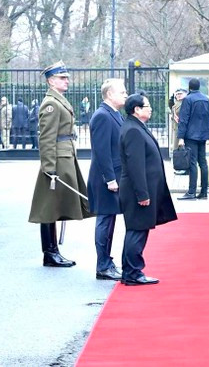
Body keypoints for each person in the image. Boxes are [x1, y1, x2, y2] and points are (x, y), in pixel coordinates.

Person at [28, 61, 92, 268]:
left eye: (66, 77)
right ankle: (50, 253)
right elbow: (46, 138)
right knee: (49, 208)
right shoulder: (51, 104)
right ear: (51, 81)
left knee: (53, 208)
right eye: (62, 78)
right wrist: (49, 168)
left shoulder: (58, 100)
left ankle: (53, 251)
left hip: (64, 157)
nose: (67, 81)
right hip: (56, 161)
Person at [119, 93, 178, 285]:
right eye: (147, 106)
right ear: (136, 109)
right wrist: (142, 194)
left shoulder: (136, 127)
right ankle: (133, 273)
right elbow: (136, 165)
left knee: (139, 229)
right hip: (138, 191)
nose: (150, 108)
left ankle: (131, 270)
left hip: (144, 189)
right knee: (137, 230)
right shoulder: (133, 130)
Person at [88, 79, 128, 281]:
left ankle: (106, 262)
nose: (126, 95)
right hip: (105, 179)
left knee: (109, 220)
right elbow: (102, 152)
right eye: (122, 92)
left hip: (113, 176)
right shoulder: (103, 116)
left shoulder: (113, 114)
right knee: (105, 220)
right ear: (110, 94)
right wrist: (110, 179)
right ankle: (102, 265)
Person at [177, 78, 209, 200]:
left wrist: (180, 137)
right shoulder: (206, 99)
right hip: (203, 135)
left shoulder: (188, 99)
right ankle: (204, 192)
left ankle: (191, 192)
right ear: (199, 87)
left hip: (191, 135)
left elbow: (183, 119)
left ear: (189, 87)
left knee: (192, 163)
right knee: (203, 163)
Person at [168, 88, 187, 164]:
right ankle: (178, 165)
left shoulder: (185, 103)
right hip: (175, 128)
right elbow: (171, 105)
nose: (178, 95)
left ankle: (182, 165)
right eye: (177, 94)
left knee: (182, 149)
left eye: (180, 94)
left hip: (181, 128)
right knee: (176, 149)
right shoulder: (176, 104)